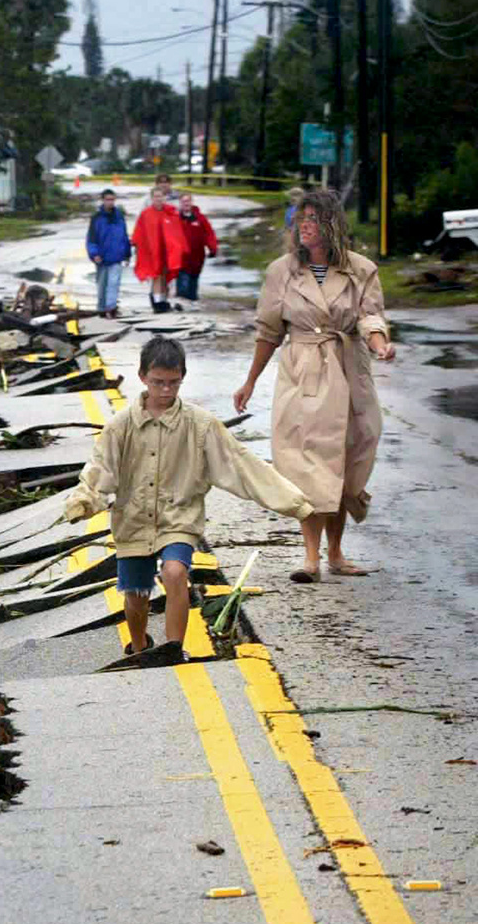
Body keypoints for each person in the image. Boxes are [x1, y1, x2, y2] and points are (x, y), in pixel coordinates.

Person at [67, 335, 314, 663]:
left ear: (182, 378)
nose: (166, 390)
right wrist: (85, 501)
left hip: (179, 519)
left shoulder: (201, 426)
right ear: (142, 377)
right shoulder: (120, 427)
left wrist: (293, 502)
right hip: (133, 521)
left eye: (173, 383)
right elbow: (100, 470)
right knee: (136, 595)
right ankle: (139, 647)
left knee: (174, 572)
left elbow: (242, 465)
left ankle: (173, 648)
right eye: (158, 383)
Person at [233, 188, 397, 583]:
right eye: (300, 219)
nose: (304, 226)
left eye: (313, 219)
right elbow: (269, 332)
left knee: (347, 461)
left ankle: (336, 554)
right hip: (303, 371)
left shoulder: (361, 269)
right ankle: (310, 557)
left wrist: (380, 346)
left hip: (348, 369)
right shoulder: (281, 271)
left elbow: (370, 316)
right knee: (310, 465)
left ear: (332, 224)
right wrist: (250, 381)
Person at [132, 185, 187, 312]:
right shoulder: (146, 214)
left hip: (167, 251)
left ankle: (163, 300)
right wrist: (137, 247)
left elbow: (177, 232)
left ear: (165, 197)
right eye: (156, 197)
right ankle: (157, 303)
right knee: (156, 275)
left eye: (161, 196)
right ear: (151, 198)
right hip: (152, 251)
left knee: (164, 276)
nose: (158, 199)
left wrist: (180, 248)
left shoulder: (170, 212)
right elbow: (140, 233)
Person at [85, 188, 133, 318]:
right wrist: (94, 254)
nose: (110, 202)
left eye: (112, 199)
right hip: (102, 257)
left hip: (116, 256)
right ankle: (101, 308)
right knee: (102, 284)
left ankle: (111, 308)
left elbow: (124, 236)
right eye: (107, 199)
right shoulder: (97, 218)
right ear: (103, 200)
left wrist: (127, 254)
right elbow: (92, 238)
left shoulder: (119, 217)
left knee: (114, 283)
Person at [174, 193, 219, 305]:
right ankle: (181, 304)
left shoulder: (200, 218)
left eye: (188, 201)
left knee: (193, 283)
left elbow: (209, 234)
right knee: (182, 284)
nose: (186, 203)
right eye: (183, 201)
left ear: (192, 202)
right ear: (180, 203)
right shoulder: (175, 218)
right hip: (181, 258)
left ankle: (192, 302)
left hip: (197, 257)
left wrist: (213, 248)